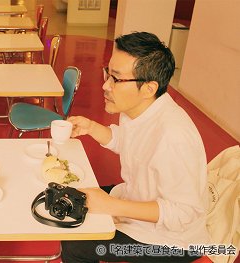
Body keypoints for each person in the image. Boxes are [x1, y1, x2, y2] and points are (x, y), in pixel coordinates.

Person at [61, 32, 209, 262]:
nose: (105, 85)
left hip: (170, 242)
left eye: (116, 79)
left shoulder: (174, 136)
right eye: (107, 74)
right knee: (73, 200)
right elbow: (128, 141)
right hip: (137, 197)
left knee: (77, 244)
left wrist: (113, 206)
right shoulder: (138, 109)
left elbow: (184, 212)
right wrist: (91, 127)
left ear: (149, 88)